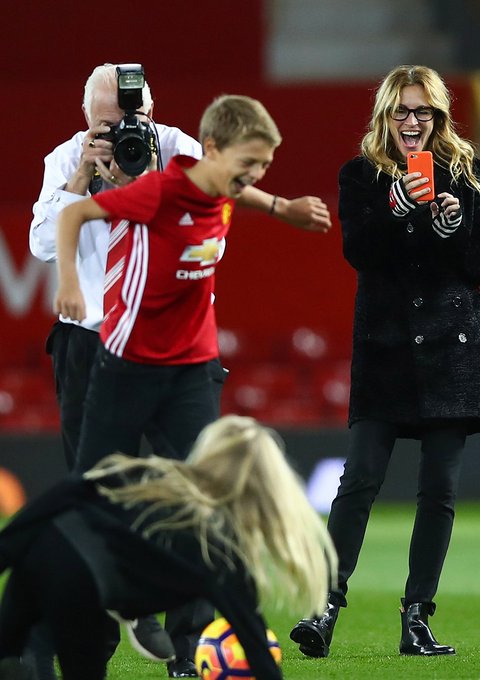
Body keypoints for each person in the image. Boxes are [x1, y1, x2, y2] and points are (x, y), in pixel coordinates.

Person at [29, 64, 331, 679]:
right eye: (102, 122)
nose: (116, 132)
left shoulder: (180, 151)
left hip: (179, 350)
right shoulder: (65, 157)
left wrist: (278, 205)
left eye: (124, 120)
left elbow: (220, 185)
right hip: (93, 343)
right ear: (86, 117)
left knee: (202, 493)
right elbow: (42, 239)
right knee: (94, 495)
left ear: (150, 107)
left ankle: (192, 645)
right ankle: (92, 641)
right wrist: (84, 181)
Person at [290, 64, 480, 659]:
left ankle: (417, 619)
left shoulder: (468, 175)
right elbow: (358, 251)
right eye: (401, 112)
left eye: (424, 113)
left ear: (439, 118)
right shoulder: (360, 176)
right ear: (384, 117)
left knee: (438, 489)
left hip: (450, 351)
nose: (412, 123)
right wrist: (398, 207)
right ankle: (324, 608)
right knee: (358, 479)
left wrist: (457, 228)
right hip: (386, 351)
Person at [0, 415, 338, 680]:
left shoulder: (153, 475)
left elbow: (70, 492)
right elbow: (254, 644)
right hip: (79, 583)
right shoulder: (220, 551)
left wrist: (7, 550)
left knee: (15, 653)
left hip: (40, 550)